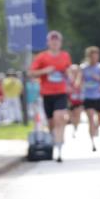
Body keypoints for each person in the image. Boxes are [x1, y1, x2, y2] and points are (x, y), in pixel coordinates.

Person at [29, 30, 76, 162]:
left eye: (57, 41)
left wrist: (70, 74)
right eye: (52, 40)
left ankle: (59, 147)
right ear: (48, 42)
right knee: (51, 122)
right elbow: (31, 73)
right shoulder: (42, 57)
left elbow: (68, 69)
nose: (55, 43)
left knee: (59, 117)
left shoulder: (65, 56)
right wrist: (45, 70)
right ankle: (53, 137)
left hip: (61, 92)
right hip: (47, 93)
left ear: (60, 43)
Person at [80, 46, 100, 153]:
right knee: (91, 119)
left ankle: (96, 128)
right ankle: (93, 143)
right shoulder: (83, 68)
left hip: (99, 96)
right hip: (88, 96)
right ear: (88, 57)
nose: (94, 58)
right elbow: (79, 80)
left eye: (96, 56)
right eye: (92, 56)